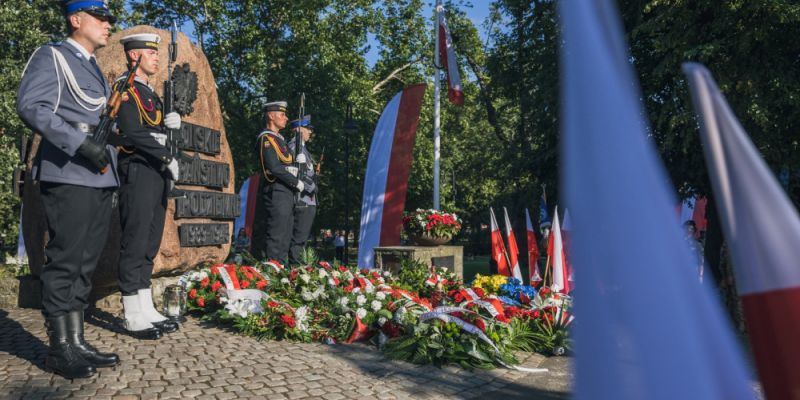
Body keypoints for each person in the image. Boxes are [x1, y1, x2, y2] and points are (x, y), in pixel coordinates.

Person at [16, 0, 120, 379]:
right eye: (101, 17)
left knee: (85, 262)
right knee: (65, 260)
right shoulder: (53, 57)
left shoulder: (93, 67)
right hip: (70, 170)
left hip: (98, 173)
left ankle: (75, 340)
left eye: (108, 18)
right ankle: (59, 349)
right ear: (77, 20)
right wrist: (79, 145)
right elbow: (31, 106)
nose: (108, 24)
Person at [111, 33, 181, 340]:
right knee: (135, 239)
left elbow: (152, 128)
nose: (156, 58)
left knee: (150, 242)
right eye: (150, 53)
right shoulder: (126, 90)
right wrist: (165, 151)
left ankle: (144, 306)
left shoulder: (151, 93)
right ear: (134, 57)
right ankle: (131, 313)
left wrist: (170, 123)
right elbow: (131, 133)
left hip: (156, 172)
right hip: (138, 170)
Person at [257, 101, 306, 265]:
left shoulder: (280, 140)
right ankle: (271, 273)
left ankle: (281, 273)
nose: (285, 118)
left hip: (286, 192)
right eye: (282, 114)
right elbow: (274, 168)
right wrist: (295, 181)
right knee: (276, 236)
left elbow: (286, 164)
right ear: (271, 115)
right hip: (276, 190)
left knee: (285, 236)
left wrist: (298, 163)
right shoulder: (266, 139)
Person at [287, 115, 318, 265]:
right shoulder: (294, 147)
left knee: (302, 238)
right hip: (303, 198)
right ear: (298, 130)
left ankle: (299, 267)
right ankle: (295, 269)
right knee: (298, 239)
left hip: (308, 199)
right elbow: (296, 172)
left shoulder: (303, 149)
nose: (310, 132)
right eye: (308, 129)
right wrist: (312, 187)